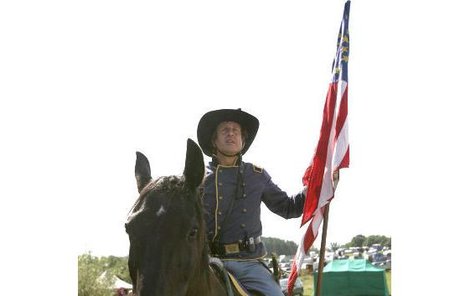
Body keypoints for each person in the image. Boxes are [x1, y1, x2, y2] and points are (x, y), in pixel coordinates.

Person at [197, 108, 306, 296]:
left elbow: (289, 208)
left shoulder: (257, 175)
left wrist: (317, 187)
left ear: (243, 141)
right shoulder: (198, 179)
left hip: (249, 264)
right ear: (214, 140)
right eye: (225, 130)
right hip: (207, 263)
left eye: (235, 130)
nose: (231, 133)